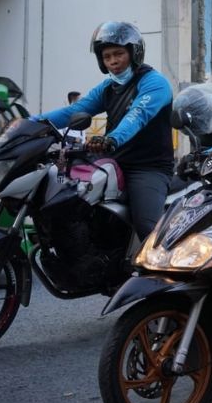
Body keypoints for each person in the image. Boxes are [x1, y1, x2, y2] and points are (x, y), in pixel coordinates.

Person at [32, 21, 174, 240]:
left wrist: (112, 139)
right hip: (110, 162)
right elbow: (74, 111)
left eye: (119, 54)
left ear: (134, 53)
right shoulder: (108, 87)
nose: (113, 62)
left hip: (147, 168)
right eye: (107, 57)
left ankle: (164, 269)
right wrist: (29, 123)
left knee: (147, 228)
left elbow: (137, 116)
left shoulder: (154, 83)